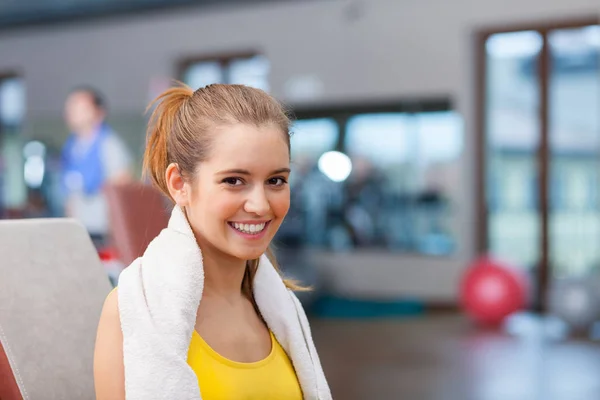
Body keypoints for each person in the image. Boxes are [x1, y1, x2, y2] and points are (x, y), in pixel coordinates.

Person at [93, 83, 332, 400]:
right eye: (234, 181)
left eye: (276, 180)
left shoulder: (283, 310)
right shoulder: (130, 310)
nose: (260, 205)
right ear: (180, 184)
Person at [61, 86, 132, 246]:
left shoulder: (109, 145)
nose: (72, 113)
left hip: (103, 232)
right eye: (70, 108)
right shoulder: (71, 147)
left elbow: (121, 186)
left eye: (80, 108)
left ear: (99, 113)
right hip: (79, 228)